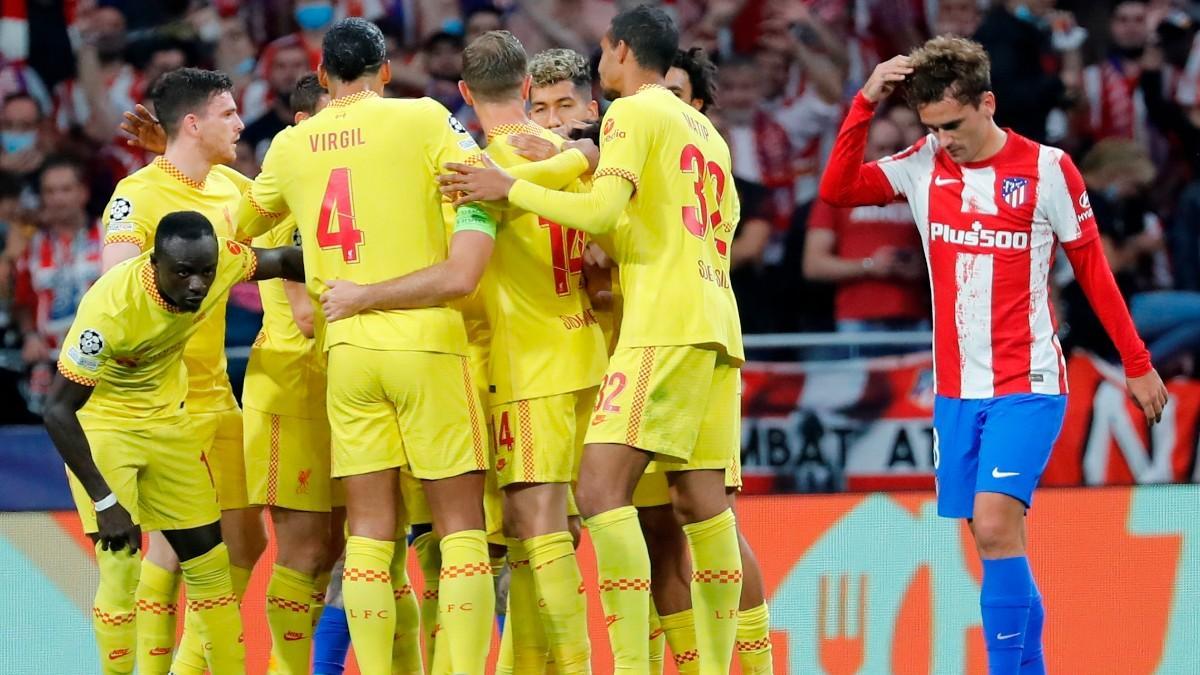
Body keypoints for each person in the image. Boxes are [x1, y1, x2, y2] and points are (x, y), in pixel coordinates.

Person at [819, 36, 1169, 674]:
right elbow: (838, 190)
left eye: (953, 124)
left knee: (992, 525)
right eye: (932, 126)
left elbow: (1092, 270)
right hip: (957, 391)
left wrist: (1138, 362)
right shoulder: (924, 161)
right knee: (998, 541)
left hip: (1029, 379)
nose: (943, 138)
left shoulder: (1047, 169)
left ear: (988, 103)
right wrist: (864, 101)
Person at [441, 6, 745, 671]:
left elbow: (602, 210)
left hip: (655, 325)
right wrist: (575, 161)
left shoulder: (632, 113)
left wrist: (511, 187)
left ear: (623, 52)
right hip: (716, 321)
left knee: (601, 494)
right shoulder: (708, 133)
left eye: (603, 52)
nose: (600, 63)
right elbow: (706, 225)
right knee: (703, 503)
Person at [233, 18, 501, 674]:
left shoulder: (292, 147)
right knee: (460, 524)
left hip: (346, 353)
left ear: (323, 78)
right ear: (386, 70)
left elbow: (239, 228)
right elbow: (486, 181)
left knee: (369, 532)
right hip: (427, 342)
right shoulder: (424, 117)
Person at [44, 210, 304, 675]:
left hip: (169, 424)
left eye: (205, 271)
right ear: (155, 262)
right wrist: (105, 501)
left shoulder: (221, 262)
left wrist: (364, 271)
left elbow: (284, 259)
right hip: (105, 428)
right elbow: (59, 410)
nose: (198, 286)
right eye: (183, 272)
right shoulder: (111, 310)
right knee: (121, 569)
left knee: (212, 569)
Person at [99, 67, 262, 675]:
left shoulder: (231, 190)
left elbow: (284, 220)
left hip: (218, 397)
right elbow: (113, 280)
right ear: (193, 124)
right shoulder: (135, 193)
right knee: (175, 550)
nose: (241, 123)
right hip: (160, 405)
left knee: (245, 544)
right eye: (228, 113)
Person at [241, 72, 338, 674]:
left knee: (338, 550)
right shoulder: (284, 203)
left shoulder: (337, 198)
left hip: (338, 387)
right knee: (301, 552)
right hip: (292, 388)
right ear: (302, 128)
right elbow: (305, 316)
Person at [804, 117, 929, 338]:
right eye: (882, 148)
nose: (890, 156)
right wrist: (869, 266)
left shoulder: (919, 193)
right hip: (857, 321)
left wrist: (921, 267)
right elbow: (813, 265)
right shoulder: (837, 196)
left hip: (914, 316)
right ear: (864, 149)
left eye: (896, 148)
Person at [13, 156, 103, 415]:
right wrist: (29, 336)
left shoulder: (110, 235)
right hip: (50, 361)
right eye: (50, 191)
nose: (58, 198)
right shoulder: (32, 245)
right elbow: (22, 302)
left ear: (83, 192)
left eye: (66, 189)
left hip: (100, 357)